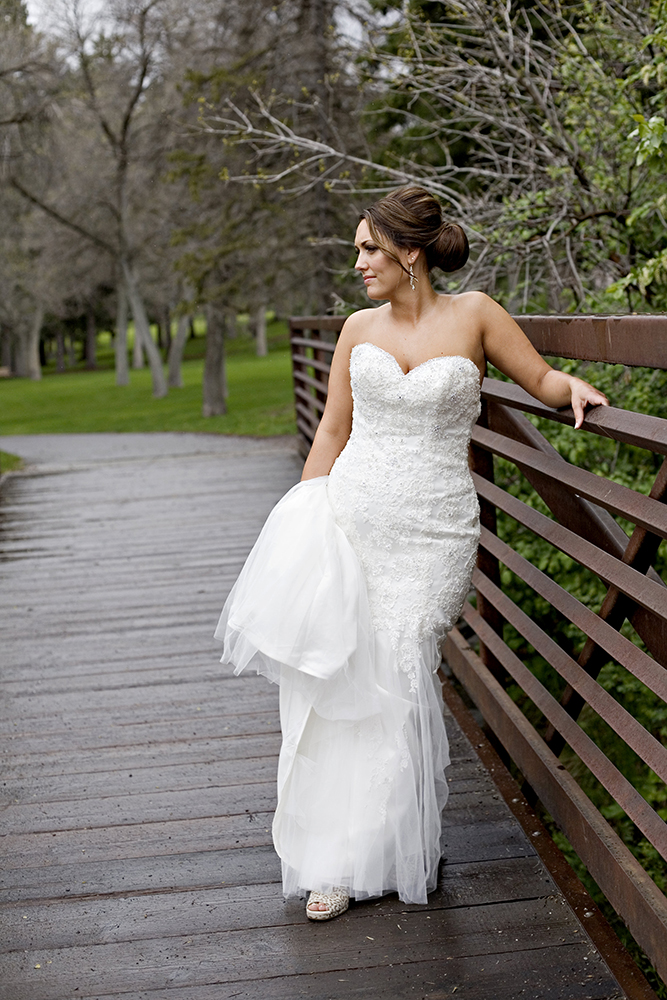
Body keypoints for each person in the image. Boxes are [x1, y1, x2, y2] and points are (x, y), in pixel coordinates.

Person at [215, 186, 609, 922]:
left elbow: (538, 378)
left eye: (369, 248)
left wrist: (571, 389)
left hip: (434, 528)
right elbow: (332, 432)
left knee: (401, 663)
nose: (358, 262)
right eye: (357, 249)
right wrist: (300, 521)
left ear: (410, 252)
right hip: (352, 515)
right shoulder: (355, 328)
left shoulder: (476, 314)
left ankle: (395, 842)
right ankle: (340, 861)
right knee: (341, 679)